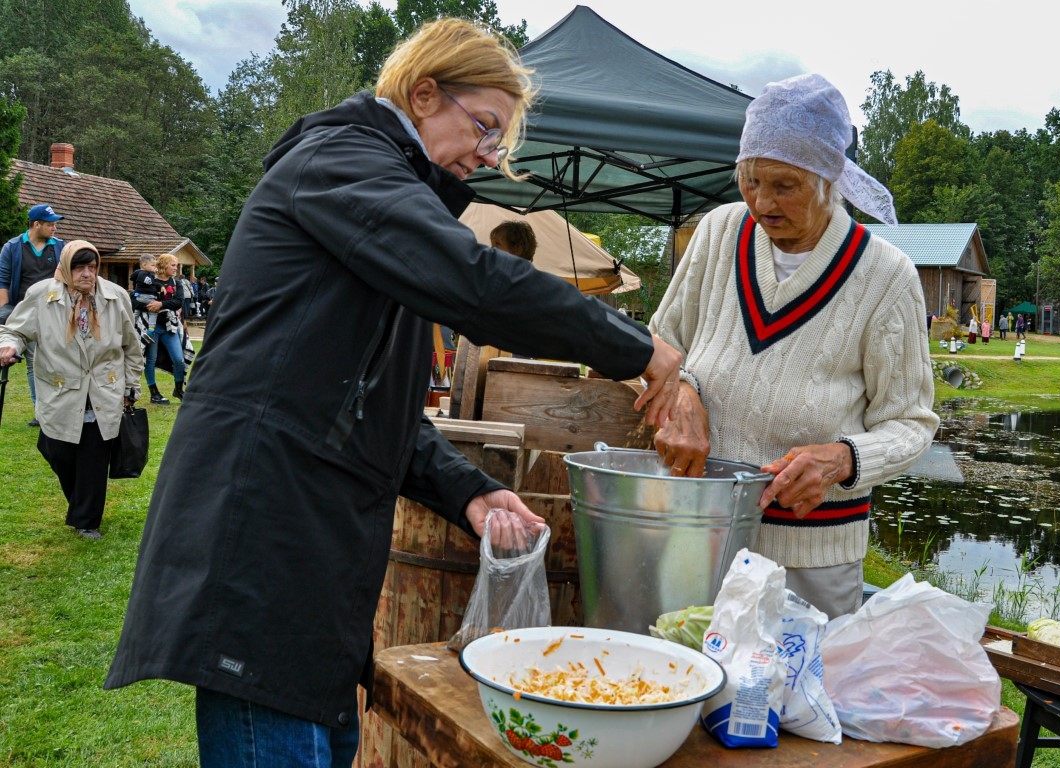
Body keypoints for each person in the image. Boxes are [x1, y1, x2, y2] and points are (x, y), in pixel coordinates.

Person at [104, 18, 682, 768]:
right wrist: (638, 349)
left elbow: (363, 400)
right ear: (422, 92)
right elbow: (474, 282)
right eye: (484, 126)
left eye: (500, 141)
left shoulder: (378, 198)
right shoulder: (341, 161)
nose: (490, 154)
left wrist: (467, 491)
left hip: (312, 568)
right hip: (260, 553)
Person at [649, 73, 938, 620]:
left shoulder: (885, 276)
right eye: (750, 180)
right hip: (698, 531)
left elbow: (912, 423)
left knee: (796, 701)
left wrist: (844, 459)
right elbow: (660, 344)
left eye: (784, 185)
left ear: (831, 181)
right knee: (682, 682)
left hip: (811, 557)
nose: (761, 201)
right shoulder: (717, 233)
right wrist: (681, 388)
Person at [0, 241, 143, 540]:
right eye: (79, 267)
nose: (87, 274)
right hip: (61, 391)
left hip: (104, 389)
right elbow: (15, 329)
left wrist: (132, 385)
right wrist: (9, 345)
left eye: (92, 267)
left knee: (93, 458)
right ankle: (82, 505)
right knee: (56, 449)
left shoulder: (115, 296)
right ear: (66, 267)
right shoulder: (42, 294)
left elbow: (131, 344)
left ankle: (86, 520)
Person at [0, 203, 67, 427]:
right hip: (25, 313)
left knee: (57, 361)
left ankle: (59, 407)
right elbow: (3, 282)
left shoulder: (59, 247)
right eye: (50, 224)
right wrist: (6, 315)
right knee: (33, 362)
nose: (54, 228)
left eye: (55, 224)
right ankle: (41, 411)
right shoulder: (12, 248)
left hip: (55, 313)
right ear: (36, 224)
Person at [138, 253, 186, 404]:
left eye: (176, 265)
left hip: (169, 326)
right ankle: (154, 393)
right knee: (150, 360)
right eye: (173, 265)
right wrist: (149, 305)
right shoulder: (151, 281)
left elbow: (178, 302)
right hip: (152, 327)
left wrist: (160, 305)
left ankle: (178, 389)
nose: (175, 268)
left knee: (179, 359)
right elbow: (138, 298)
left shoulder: (176, 283)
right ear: (164, 265)